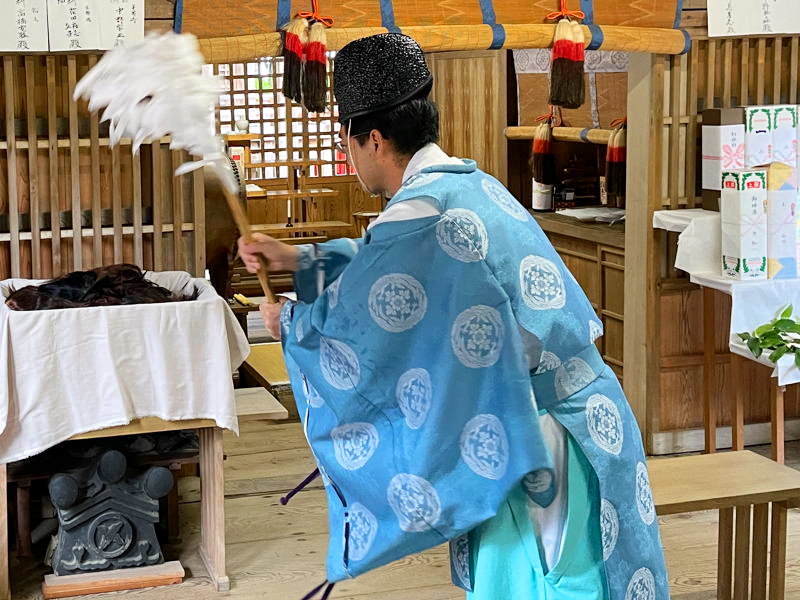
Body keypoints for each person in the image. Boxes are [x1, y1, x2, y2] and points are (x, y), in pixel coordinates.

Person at [239, 33, 668, 600]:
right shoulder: (467, 183)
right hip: (580, 413)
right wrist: (296, 259)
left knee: (544, 585)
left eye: (348, 140)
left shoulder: (418, 210)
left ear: (372, 138)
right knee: (580, 571)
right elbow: (388, 271)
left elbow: (366, 321)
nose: (347, 154)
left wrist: (290, 325)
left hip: (535, 433)